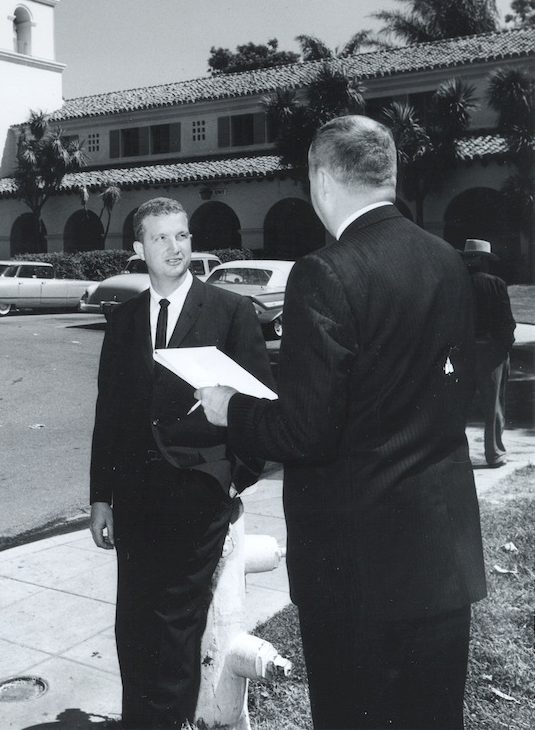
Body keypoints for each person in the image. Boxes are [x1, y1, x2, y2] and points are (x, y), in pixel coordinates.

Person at [193, 116, 487, 730]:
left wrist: (231, 408)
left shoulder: (325, 273)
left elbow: (307, 430)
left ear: (322, 178)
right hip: (441, 555)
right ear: (391, 175)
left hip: (356, 573)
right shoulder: (447, 262)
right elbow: (450, 387)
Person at [89, 197, 273, 730]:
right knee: (134, 627)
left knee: (175, 630)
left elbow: (260, 408)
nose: (176, 246)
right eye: (162, 237)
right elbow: (110, 414)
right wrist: (102, 496)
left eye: (183, 235)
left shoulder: (230, 312)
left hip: (198, 500)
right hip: (135, 504)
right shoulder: (123, 321)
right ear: (139, 249)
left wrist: (230, 482)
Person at [460, 239, 516, 468]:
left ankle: (456, 455)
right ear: (485, 260)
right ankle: (494, 453)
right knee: (493, 404)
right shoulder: (497, 284)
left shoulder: (458, 283)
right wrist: (505, 344)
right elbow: (506, 319)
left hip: (464, 350)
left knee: (459, 403)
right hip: (491, 350)